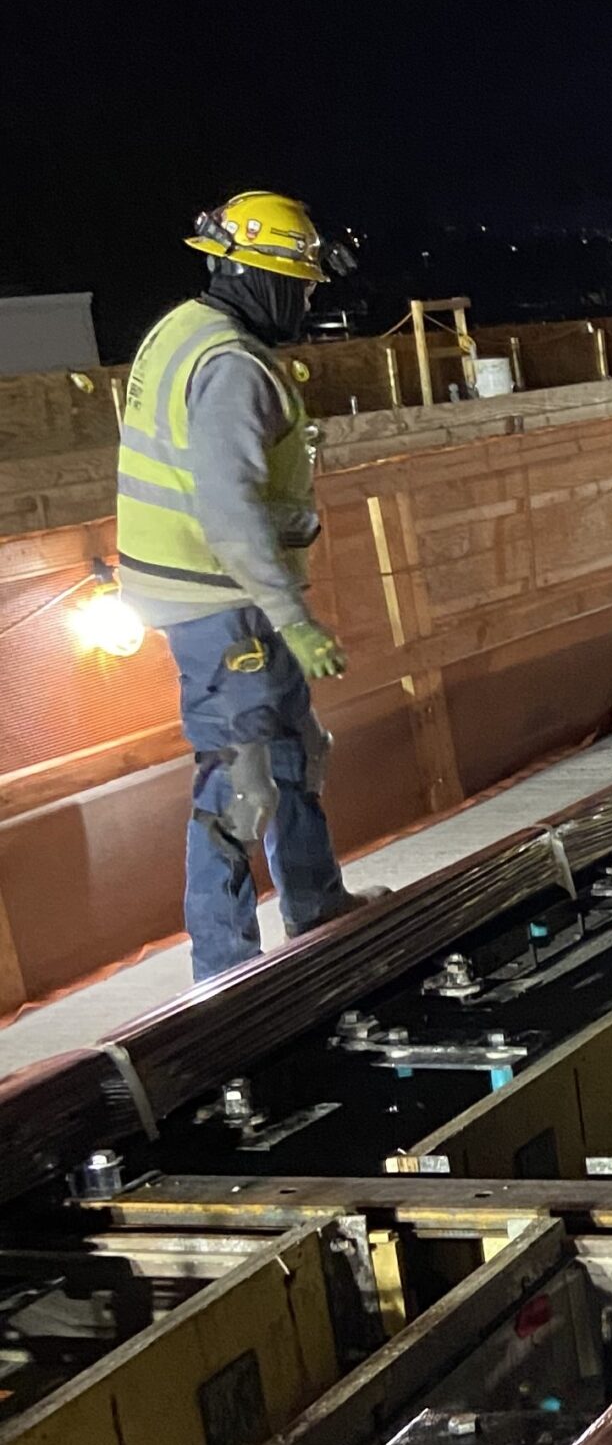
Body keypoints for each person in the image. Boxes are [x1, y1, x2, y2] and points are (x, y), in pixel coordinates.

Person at [115, 191, 373, 981]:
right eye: (299, 284)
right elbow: (227, 506)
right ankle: (224, 965)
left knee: (295, 750)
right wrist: (292, 618)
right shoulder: (230, 364)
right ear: (258, 276)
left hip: (222, 595)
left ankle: (316, 904)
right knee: (240, 778)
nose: (306, 298)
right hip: (218, 602)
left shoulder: (184, 333)